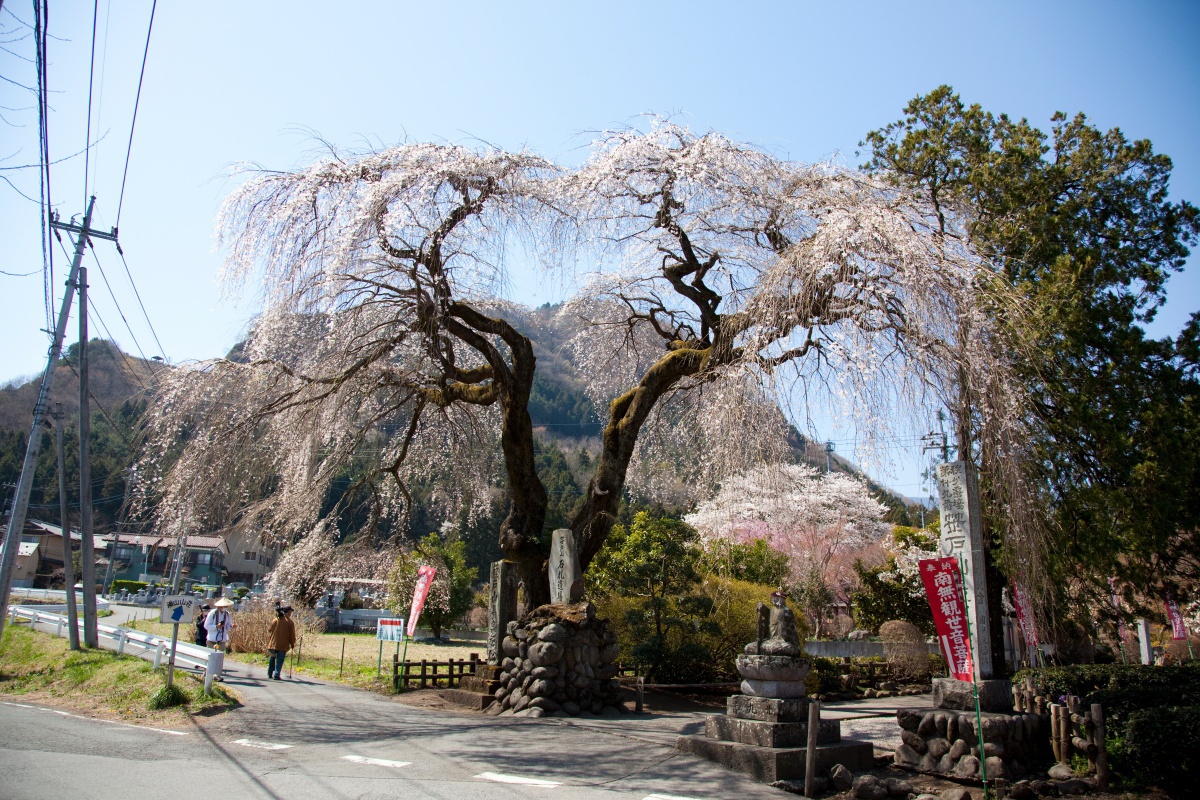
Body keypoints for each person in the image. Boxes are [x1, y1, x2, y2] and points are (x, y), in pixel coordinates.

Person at [267, 606, 296, 680]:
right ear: (288, 613)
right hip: (283, 645)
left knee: (272, 658)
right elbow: (292, 635)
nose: (290, 614)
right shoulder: (289, 622)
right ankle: (277, 674)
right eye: (290, 612)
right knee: (280, 659)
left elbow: (269, 630)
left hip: (273, 643)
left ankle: (270, 673)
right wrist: (292, 644)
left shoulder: (275, 620)